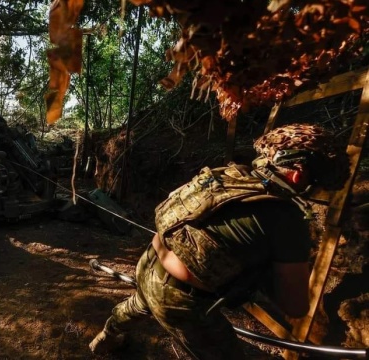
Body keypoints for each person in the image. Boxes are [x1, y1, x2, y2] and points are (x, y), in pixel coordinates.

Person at [89, 123, 350, 359]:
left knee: (136, 304)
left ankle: (106, 337)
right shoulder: (287, 220)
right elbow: (296, 306)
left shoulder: (229, 175)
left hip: (149, 263)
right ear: (297, 176)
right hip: (179, 300)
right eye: (315, 183)